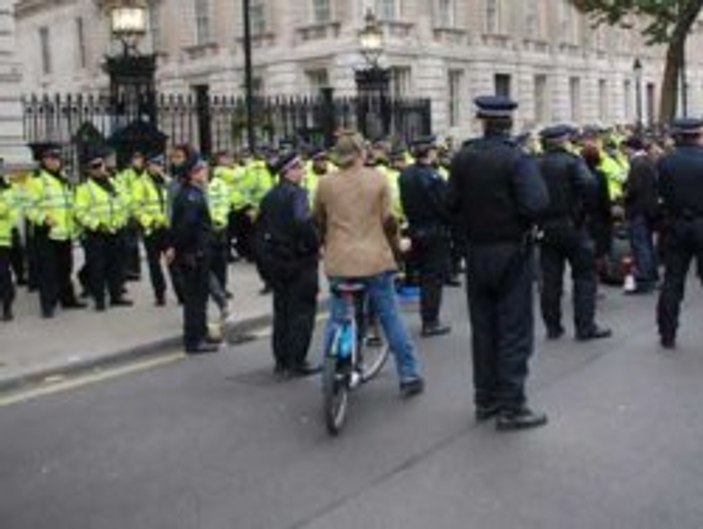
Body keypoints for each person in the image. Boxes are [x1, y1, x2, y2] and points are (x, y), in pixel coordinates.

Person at [448, 96, 549, 430]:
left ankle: (486, 398)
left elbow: (450, 204)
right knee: (514, 329)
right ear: (508, 123)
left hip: (476, 252)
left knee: (484, 327)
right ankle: (512, 405)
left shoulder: (463, 158)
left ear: (482, 121)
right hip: (511, 250)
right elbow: (536, 204)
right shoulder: (516, 159)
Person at [314, 131, 424, 398]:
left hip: (340, 261)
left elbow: (318, 219)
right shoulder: (378, 180)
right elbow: (389, 221)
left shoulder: (325, 183)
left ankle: (329, 375)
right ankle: (409, 374)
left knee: (338, 318)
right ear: (362, 153)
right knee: (390, 317)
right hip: (375, 260)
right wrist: (398, 248)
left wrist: (325, 243)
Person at [536, 125, 612, 341]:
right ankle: (585, 326)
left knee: (550, 279)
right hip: (571, 226)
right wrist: (580, 214)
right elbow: (590, 186)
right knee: (584, 276)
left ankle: (553, 326)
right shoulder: (572, 162)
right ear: (564, 141)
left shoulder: (536, 163)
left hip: (546, 227)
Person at [256, 151, 320, 377]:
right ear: (288, 171)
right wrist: (315, 244)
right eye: (299, 168)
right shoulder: (297, 194)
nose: (303, 171)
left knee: (282, 310)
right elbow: (303, 221)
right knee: (302, 312)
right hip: (299, 260)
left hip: (277, 261)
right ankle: (297, 360)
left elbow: (260, 232)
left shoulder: (269, 196)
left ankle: (281, 360)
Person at [656, 118, 703, 349]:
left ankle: (667, 333)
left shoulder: (665, 162)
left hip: (675, 225)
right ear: (698, 134)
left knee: (673, 281)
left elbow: (660, 194)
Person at [399, 135, 452, 337]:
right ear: (430, 152)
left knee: (421, 275)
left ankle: (427, 317)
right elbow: (443, 205)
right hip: (434, 231)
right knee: (432, 278)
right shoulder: (434, 176)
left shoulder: (405, 175)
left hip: (414, 228)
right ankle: (430, 321)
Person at [26, 143, 85, 318]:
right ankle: (48, 305)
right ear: (43, 160)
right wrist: (44, 219)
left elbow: (69, 204)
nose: (55, 161)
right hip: (46, 233)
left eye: (57, 158)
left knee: (66, 269)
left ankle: (67, 300)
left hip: (65, 233)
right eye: (51, 158)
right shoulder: (35, 180)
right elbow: (28, 207)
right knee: (48, 272)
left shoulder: (63, 178)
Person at [168, 154, 219, 354]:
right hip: (194, 255)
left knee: (200, 297)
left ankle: (200, 333)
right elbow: (185, 229)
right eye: (202, 170)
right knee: (195, 299)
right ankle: (194, 340)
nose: (206, 172)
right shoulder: (191, 197)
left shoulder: (192, 193)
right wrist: (190, 252)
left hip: (197, 253)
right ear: (193, 174)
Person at [74, 151, 133, 311]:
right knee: (97, 267)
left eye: (101, 165)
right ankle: (99, 299)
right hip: (97, 234)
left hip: (116, 231)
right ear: (89, 170)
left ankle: (116, 296)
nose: (100, 169)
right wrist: (97, 224)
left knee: (116, 266)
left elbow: (127, 202)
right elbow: (80, 212)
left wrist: (124, 220)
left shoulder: (114, 183)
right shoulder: (84, 189)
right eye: (96, 167)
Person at [622, 136, 660, 294]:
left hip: (638, 210)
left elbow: (634, 190)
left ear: (631, 148)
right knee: (648, 245)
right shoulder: (647, 161)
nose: (623, 152)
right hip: (648, 210)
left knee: (640, 245)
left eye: (625, 148)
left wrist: (623, 196)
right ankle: (652, 274)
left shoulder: (638, 164)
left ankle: (644, 279)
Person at [132, 153, 171, 306]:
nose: (158, 167)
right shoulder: (140, 183)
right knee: (154, 264)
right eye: (155, 165)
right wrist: (149, 222)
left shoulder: (167, 181)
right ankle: (160, 294)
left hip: (167, 228)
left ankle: (181, 293)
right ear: (148, 166)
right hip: (152, 229)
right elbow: (136, 207)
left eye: (160, 165)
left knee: (174, 262)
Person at [0, 170, 18, 321]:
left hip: (2, 239)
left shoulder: (8, 188)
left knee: (3, 275)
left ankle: (7, 308)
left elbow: (14, 213)